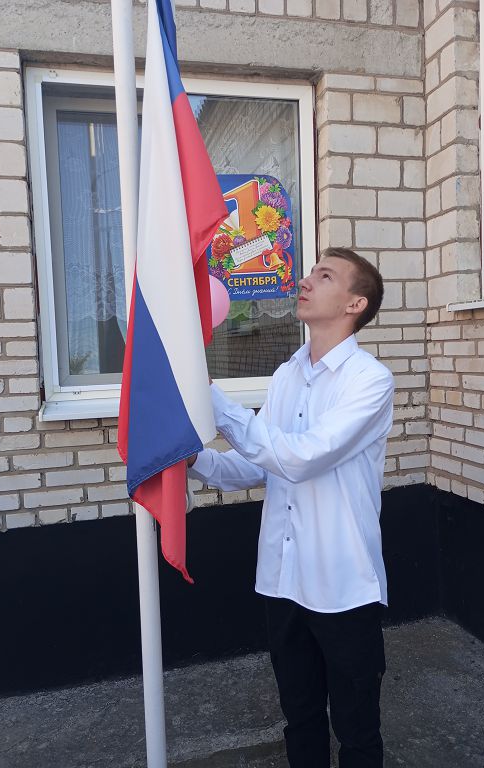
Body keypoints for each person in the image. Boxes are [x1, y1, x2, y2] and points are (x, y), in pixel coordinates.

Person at [188, 247, 394, 768]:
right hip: (283, 582)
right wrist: (194, 462)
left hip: (342, 586)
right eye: (310, 272)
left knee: (357, 731)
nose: (304, 281)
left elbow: (300, 458)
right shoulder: (286, 376)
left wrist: (212, 400)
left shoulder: (369, 381)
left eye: (324, 276)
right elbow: (260, 465)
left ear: (354, 304)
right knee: (300, 719)